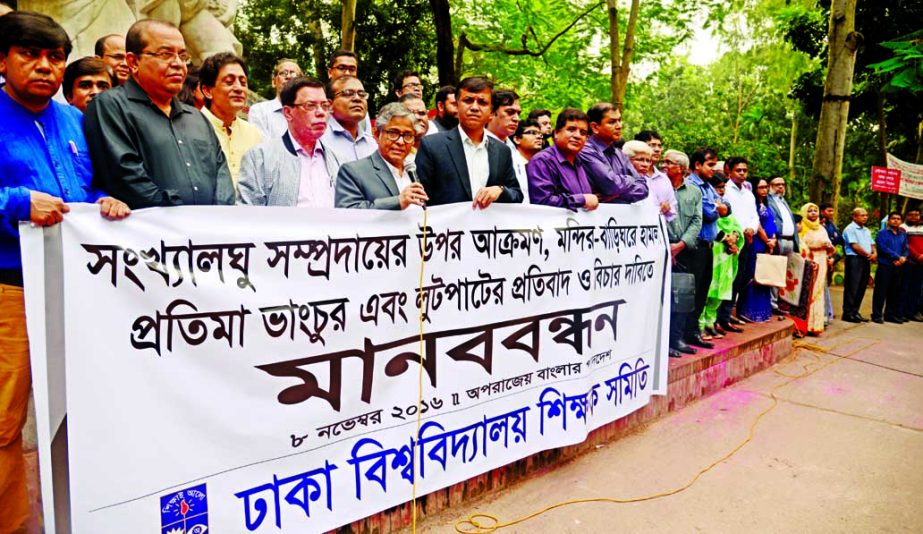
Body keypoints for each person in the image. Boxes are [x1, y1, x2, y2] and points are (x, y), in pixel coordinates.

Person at [0, 12, 131, 533]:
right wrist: (15, 202)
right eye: (29, 55)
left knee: (88, 409)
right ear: (3, 61)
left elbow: (88, 188)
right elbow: (21, 201)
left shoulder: (75, 120)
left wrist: (106, 202)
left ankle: (90, 517)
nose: (44, 67)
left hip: (79, 290)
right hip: (12, 288)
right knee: (6, 424)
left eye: (54, 57)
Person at [84, 19, 234, 208]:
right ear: (133, 61)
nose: (178, 64)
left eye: (182, 56)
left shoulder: (197, 117)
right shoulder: (110, 106)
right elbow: (123, 176)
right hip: (150, 233)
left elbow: (221, 174)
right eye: (166, 54)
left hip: (208, 233)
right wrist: (180, 213)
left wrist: (217, 218)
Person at [415, 76, 523, 208]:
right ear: (458, 105)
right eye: (468, 100)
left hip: (489, 227)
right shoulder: (432, 146)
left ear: (491, 111)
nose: (474, 107)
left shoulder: (502, 150)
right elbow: (420, 199)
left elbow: (517, 195)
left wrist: (500, 190)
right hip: (446, 228)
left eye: (482, 102)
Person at [238, 77, 341, 207]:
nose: (321, 112)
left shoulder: (336, 160)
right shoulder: (260, 157)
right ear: (287, 113)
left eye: (325, 106)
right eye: (310, 106)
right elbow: (249, 215)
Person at [335, 103, 428, 210]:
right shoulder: (353, 172)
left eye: (408, 135)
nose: (401, 141)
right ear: (376, 134)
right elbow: (347, 214)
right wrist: (398, 201)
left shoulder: (415, 170)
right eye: (393, 133)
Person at [682, 148, 728, 347]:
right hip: (695, 247)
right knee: (691, 291)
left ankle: (693, 331)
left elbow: (726, 206)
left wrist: (718, 206)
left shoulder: (708, 186)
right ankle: (683, 332)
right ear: (697, 165)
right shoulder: (692, 185)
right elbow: (709, 213)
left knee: (702, 290)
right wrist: (717, 207)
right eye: (710, 164)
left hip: (709, 245)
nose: (713, 169)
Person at [198, 52, 263, 190]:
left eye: (243, 82)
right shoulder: (189, 128)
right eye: (229, 82)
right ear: (207, 91)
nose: (239, 88)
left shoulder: (253, 133)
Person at [663, 150, 702, 358]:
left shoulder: (694, 192)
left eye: (669, 162)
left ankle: (677, 338)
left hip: (685, 251)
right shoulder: (659, 186)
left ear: (682, 168)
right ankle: (664, 342)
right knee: (664, 298)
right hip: (662, 249)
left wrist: (681, 245)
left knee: (683, 296)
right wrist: (668, 246)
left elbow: (697, 220)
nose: (664, 165)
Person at [577, 102, 649, 204]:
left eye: (619, 120)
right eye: (612, 122)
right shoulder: (585, 150)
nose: (619, 126)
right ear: (595, 127)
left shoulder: (620, 154)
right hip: (594, 217)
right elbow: (611, 185)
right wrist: (631, 179)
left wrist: (618, 194)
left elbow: (644, 189)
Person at [526, 108, 597, 211]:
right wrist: (581, 200)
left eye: (583, 132)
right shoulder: (542, 161)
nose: (577, 136)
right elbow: (541, 201)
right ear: (556, 133)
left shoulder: (579, 162)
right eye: (571, 129)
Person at [701, 176, 744, 339]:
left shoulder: (727, 206)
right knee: (707, 290)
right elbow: (710, 227)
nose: (721, 190)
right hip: (713, 253)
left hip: (726, 256)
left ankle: (711, 322)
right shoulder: (708, 206)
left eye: (723, 187)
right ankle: (700, 324)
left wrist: (734, 237)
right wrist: (726, 238)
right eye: (718, 187)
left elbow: (735, 225)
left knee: (720, 292)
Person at [719, 157, 758, 330]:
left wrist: (752, 229)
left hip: (748, 240)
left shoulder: (749, 193)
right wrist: (739, 232)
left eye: (745, 170)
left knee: (742, 277)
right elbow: (727, 217)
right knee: (728, 279)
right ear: (729, 170)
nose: (742, 173)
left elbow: (754, 215)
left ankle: (727, 316)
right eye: (738, 170)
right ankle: (720, 317)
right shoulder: (725, 190)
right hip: (731, 242)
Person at [738, 178, 777, 323]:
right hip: (756, 242)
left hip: (767, 243)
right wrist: (767, 240)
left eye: (766, 187)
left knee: (765, 275)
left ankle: (762, 311)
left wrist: (773, 240)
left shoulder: (766, 204)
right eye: (761, 187)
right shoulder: (752, 203)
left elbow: (771, 223)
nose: (764, 190)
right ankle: (748, 311)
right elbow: (757, 224)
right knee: (753, 274)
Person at [320, 75, 376, 173]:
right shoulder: (319, 141)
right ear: (329, 105)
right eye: (348, 93)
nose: (357, 99)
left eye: (362, 94)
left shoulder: (373, 144)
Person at [799, 203, 835, 334]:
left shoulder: (822, 228)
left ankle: (816, 324)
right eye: (810, 211)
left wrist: (828, 246)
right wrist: (817, 245)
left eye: (815, 211)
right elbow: (801, 245)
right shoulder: (802, 227)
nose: (813, 213)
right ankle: (806, 325)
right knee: (809, 292)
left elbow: (830, 245)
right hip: (810, 261)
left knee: (819, 292)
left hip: (821, 260)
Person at [248, 58, 302, 139]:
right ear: (274, 82)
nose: (288, 76)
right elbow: (262, 148)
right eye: (283, 73)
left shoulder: (310, 113)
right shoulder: (259, 111)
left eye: (293, 73)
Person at [871, 212, 908, 323]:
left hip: (898, 267)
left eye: (898, 219)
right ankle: (877, 315)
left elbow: (906, 249)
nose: (895, 220)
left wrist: (903, 258)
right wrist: (897, 257)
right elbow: (882, 248)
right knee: (880, 291)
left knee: (894, 291)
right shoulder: (882, 233)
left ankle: (890, 315)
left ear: (901, 221)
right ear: (888, 221)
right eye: (893, 218)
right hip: (885, 265)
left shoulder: (903, 234)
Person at [842, 208, 875, 322]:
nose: (865, 217)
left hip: (865, 259)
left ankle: (855, 311)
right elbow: (854, 246)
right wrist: (868, 255)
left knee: (862, 286)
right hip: (855, 259)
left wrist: (874, 253)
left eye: (866, 215)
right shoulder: (850, 229)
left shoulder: (866, 230)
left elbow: (872, 244)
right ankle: (848, 313)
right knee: (852, 287)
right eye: (862, 215)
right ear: (854, 217)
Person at [634, 130, 676, 221]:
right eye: (652, 145)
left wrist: (668, 208)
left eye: (659, 146)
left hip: (658, 231)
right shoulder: (630, 176)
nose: (657, 149)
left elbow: (673, 208)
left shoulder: (664, 179)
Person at [510, 119, 543, 203]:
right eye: (532, 133)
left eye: (540, 134)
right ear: (517, 139)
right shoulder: (510, 163)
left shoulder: (542, 165)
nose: (538, 136)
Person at [819, 202, 842, 322]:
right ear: (822, 211)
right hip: (821, 257)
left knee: (827, 285)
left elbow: (838, 238)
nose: (831, 213)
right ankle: (822, 313)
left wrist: (833, 259)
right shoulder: (818, 224)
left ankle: (828, 313)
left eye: (832, 211)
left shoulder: (831, 224)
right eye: (829, 211)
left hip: (831, 257)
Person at [900, 207, 923, 322]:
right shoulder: (903, 228)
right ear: (906, 216)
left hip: (921, 263)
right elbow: (906, 245)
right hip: (909, 262)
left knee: (917, 289)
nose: (914, 217)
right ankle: (902, 312)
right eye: (911, 215)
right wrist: (917, 255)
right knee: (905, 287)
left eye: (917, 215)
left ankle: (912, 312)